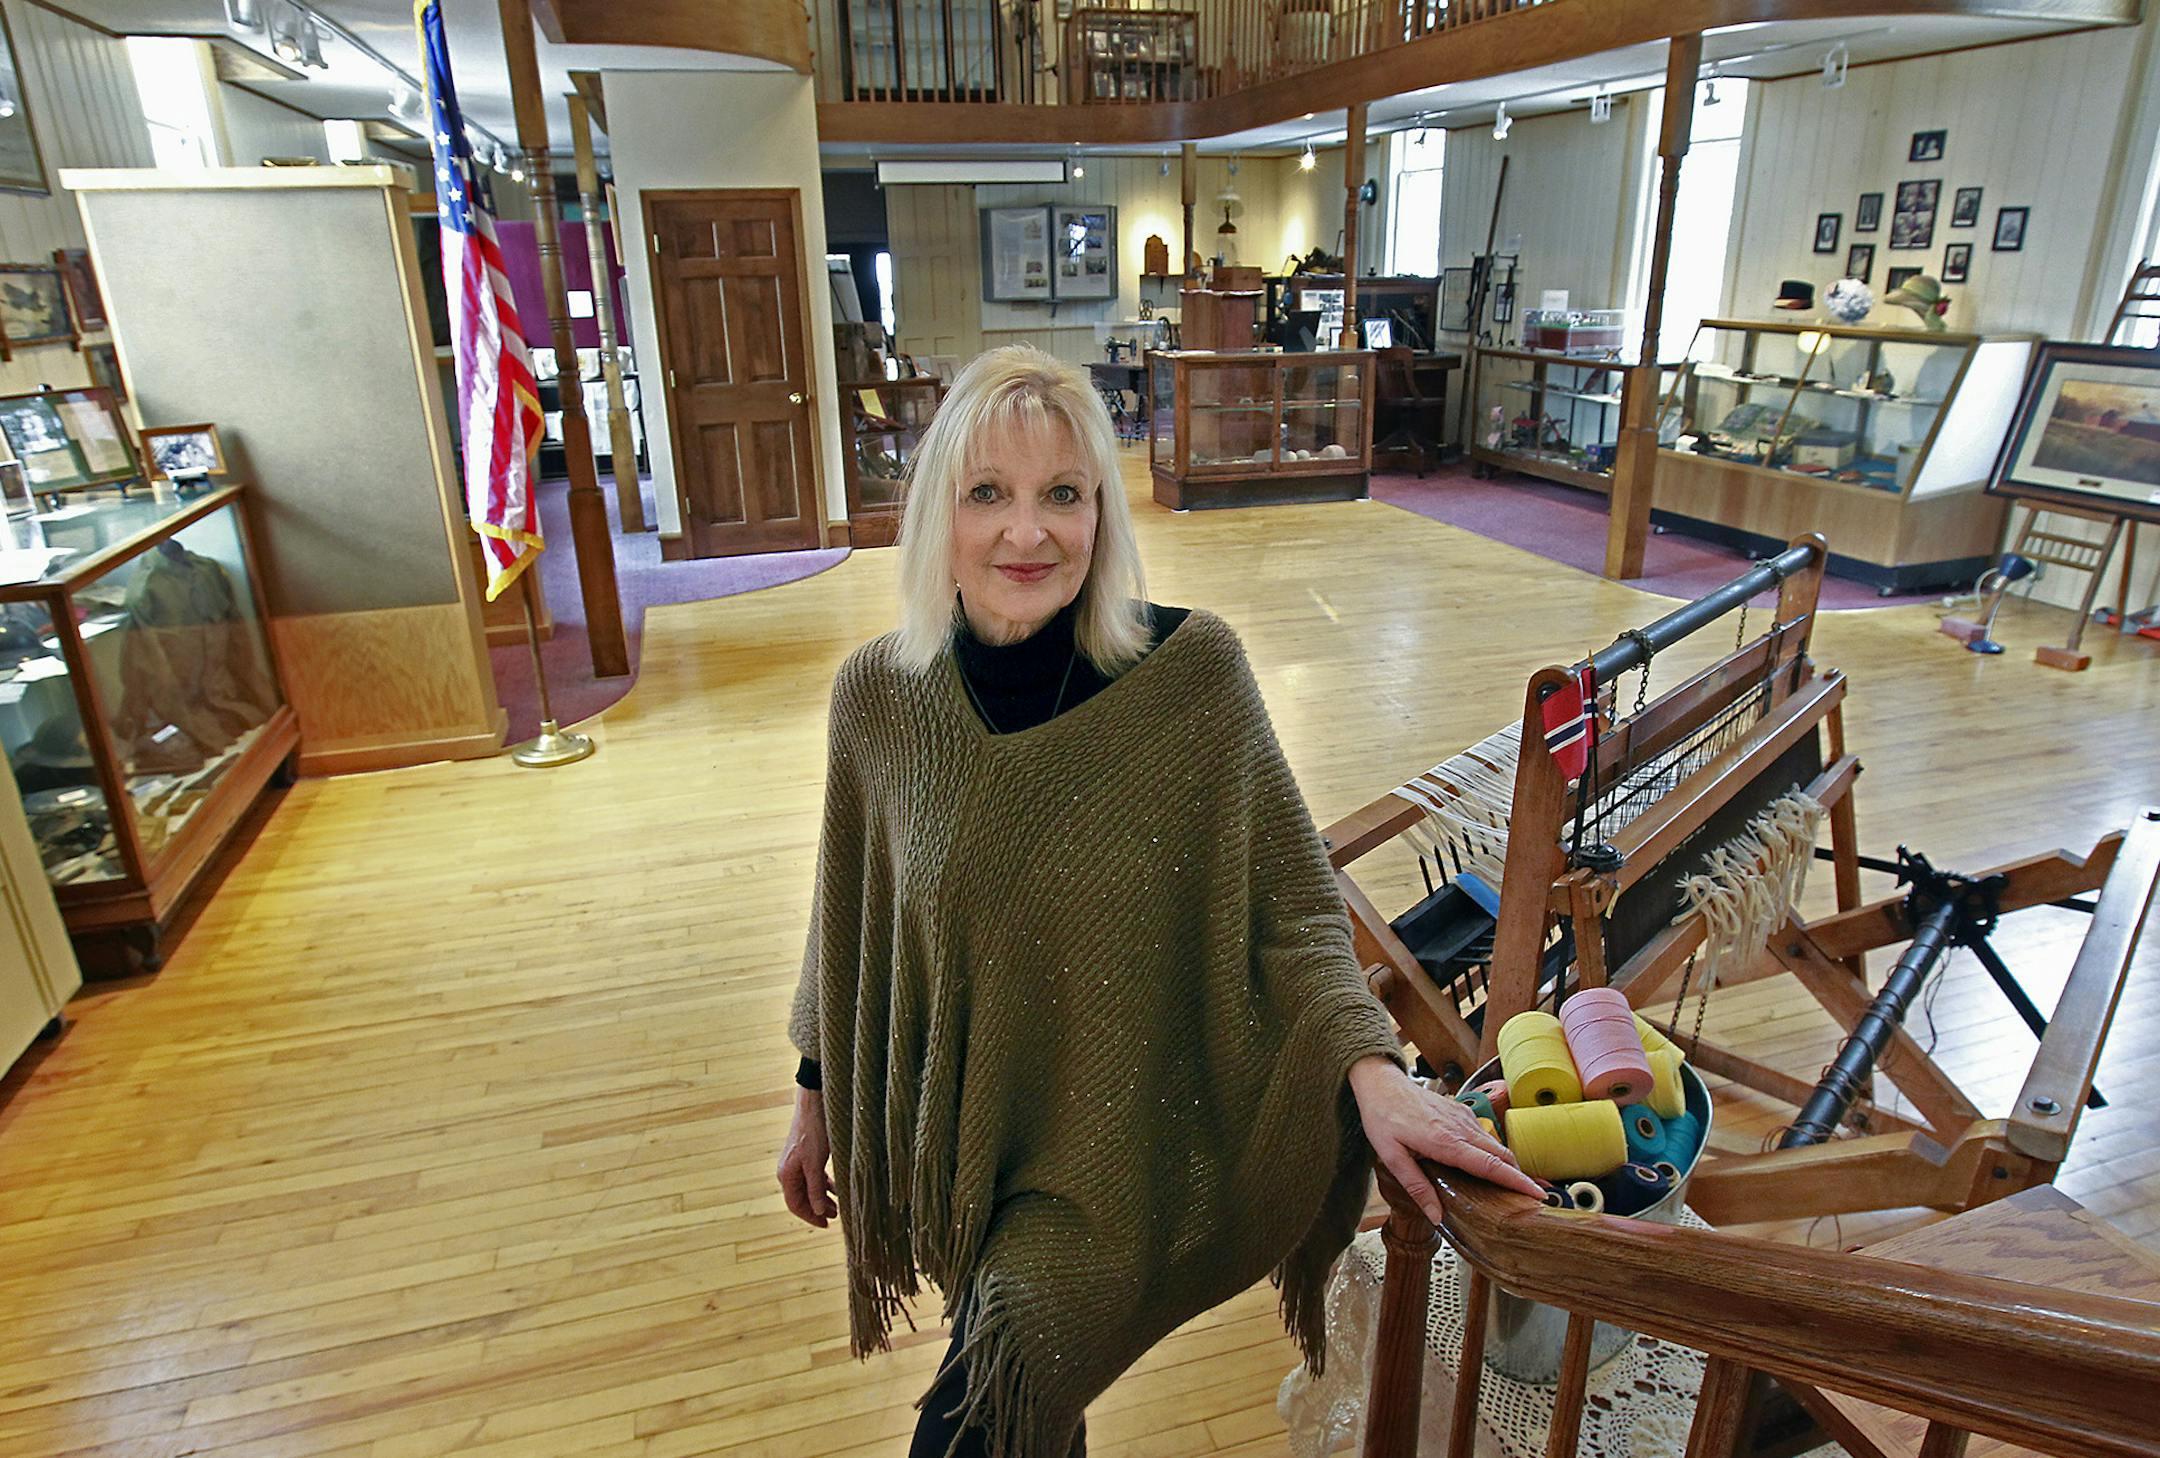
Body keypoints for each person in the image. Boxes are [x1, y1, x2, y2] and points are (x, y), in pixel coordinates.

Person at [776, 345, 1540, 1458]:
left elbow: (1293, 904)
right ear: (938, 512)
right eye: (987, 493)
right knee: (1035, 1409)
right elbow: (847, 911)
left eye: (1063, 494)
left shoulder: (1190, 675)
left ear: (1102, 513)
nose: (1028, 533)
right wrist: (815, 1098)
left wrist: (1376, 1075)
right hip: (962, 1137)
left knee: (997, 1391)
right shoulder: (880, 696)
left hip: (1114, 1156)